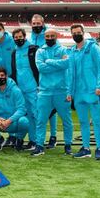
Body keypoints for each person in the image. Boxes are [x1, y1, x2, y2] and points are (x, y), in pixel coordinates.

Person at [32, 29, 73, 156]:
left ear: (56, 37)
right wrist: (58, 65)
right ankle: (39, 145)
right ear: (45, 37)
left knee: (66, 120)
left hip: (61, 91)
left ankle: (68, 145)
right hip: (44, 91)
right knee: (41, 120)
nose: (49, 38)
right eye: (47, 36)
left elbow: (67, 63)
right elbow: (41, 68)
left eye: (52, 36)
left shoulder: (63, 50)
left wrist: (49, 62)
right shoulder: (40, 51)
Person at [68, 24, 100, 160]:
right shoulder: (72, 51)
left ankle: (99, 148)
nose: (76, 35)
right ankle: (86, 148)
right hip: (78, 93)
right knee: (83, 122)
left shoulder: (93, 48)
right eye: (74, 33)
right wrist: (70, 92)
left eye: (79, 32)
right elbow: (71, 74)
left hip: (92, 91)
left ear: (83, 33)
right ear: (71, 34)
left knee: (96, 121)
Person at [29, 14, 58, 149]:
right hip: (34, 77)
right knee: (39, 109)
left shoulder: (48, 35)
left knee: (52, 108)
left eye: (38, 23)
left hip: (48, 76)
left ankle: (53, 136)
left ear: (43, 23)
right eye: (34, 24)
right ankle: (37, 138)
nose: (36, 26)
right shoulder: (30, 38)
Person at [10, 28, 38, 151]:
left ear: (25, 36)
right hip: (20, 90)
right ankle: (26, 140)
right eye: (15, 37)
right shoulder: (14, 52)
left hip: (33, 89)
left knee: (35, 115)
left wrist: (39, 85)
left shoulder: (33, 49)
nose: (18, 39)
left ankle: (36, 141)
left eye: (20, 36)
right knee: (24, 116)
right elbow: (15, 71)